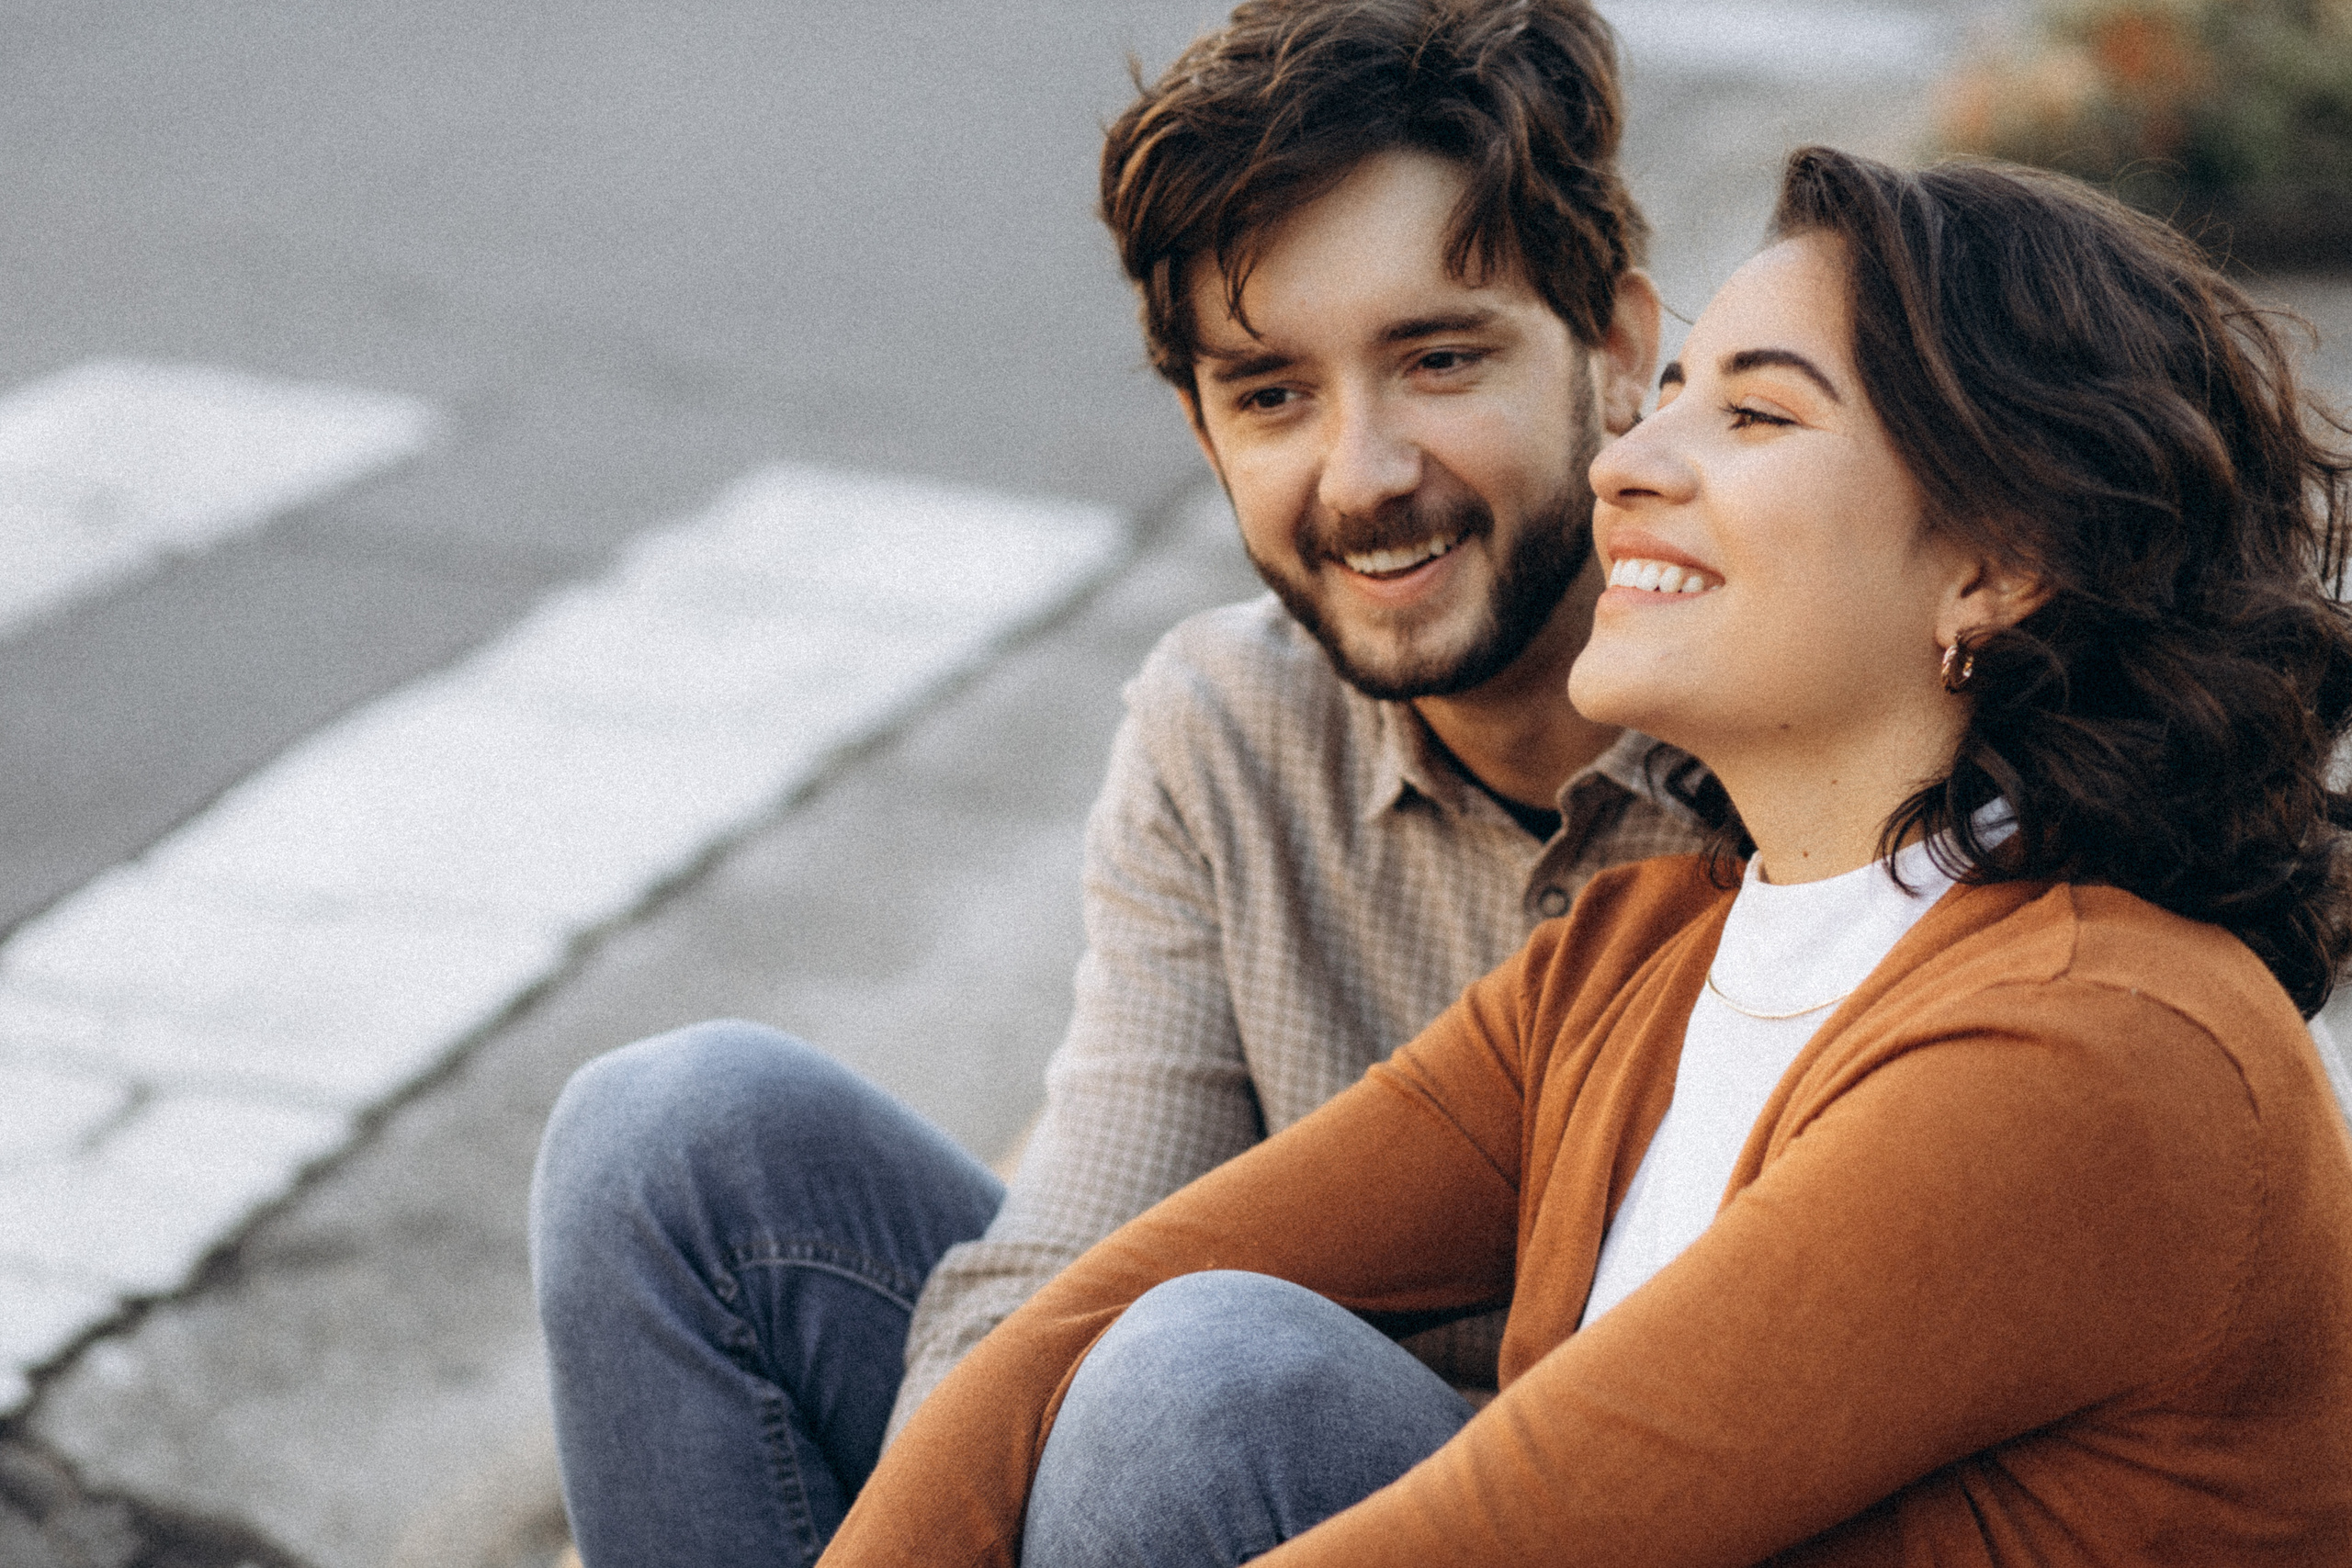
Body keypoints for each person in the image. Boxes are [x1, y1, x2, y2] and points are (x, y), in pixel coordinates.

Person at [821, 147, 2352, 1566]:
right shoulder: (1642, 958)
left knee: (1199, 1384)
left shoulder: (2099, 1046)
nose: (1629, 462)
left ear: (1999, 561)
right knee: (1135, 1332)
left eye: (1754, 413)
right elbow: (1063, 1322)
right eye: (1669, 390)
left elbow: (1492, 1540)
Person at [528, 2, 1707, 1562]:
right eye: (1272, 393)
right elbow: (1069, 1260)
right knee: (668, 1139)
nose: (1363, 474)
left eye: (1437, 358)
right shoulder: (1225, 724)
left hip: (1619, 1510)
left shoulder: (1780, 714)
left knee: (1194, 1381)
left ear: (1616, 351)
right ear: (1200, 427)